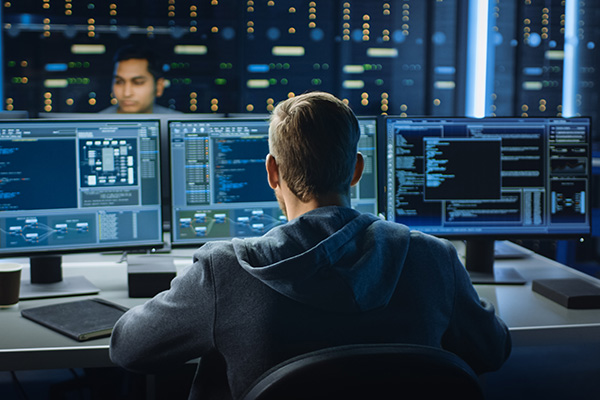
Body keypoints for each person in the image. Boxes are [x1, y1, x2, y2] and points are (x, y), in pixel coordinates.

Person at [109, 91, 511, 399]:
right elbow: (492, 351)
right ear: (356, 170)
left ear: (272, 172)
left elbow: (128, 350)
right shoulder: (433, 258)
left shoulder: (225, 272)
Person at [100, 45, 181, 114]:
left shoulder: (178, 123)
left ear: (159, 87)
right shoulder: (96, 123)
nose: (127, 93)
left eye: (138, 83)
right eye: (119, 82)